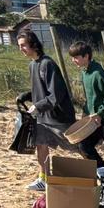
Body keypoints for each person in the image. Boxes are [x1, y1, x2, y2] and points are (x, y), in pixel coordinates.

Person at [18, 29, 76, 191]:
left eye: (23, 45)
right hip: (43, 116)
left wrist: (37, 106)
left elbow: (56, 94)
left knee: (78, 147)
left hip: (59, 116)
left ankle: (100, 171)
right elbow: (40, 91)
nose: (21, 49)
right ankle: (44, 178)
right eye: (19, 46)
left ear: (33, 44)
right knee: (41, 144)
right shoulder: (32, 65)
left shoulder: (47, 64)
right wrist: (27, 96)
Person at [67, 40, 104, 175]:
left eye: (76, 57)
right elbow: (90, 99)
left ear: (86, 56)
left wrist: (100, 113)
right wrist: (85, 116)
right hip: (93, 121)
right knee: (84, 145)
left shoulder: (98, 73)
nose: (73, 60)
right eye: (72, 57)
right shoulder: (84, 72)